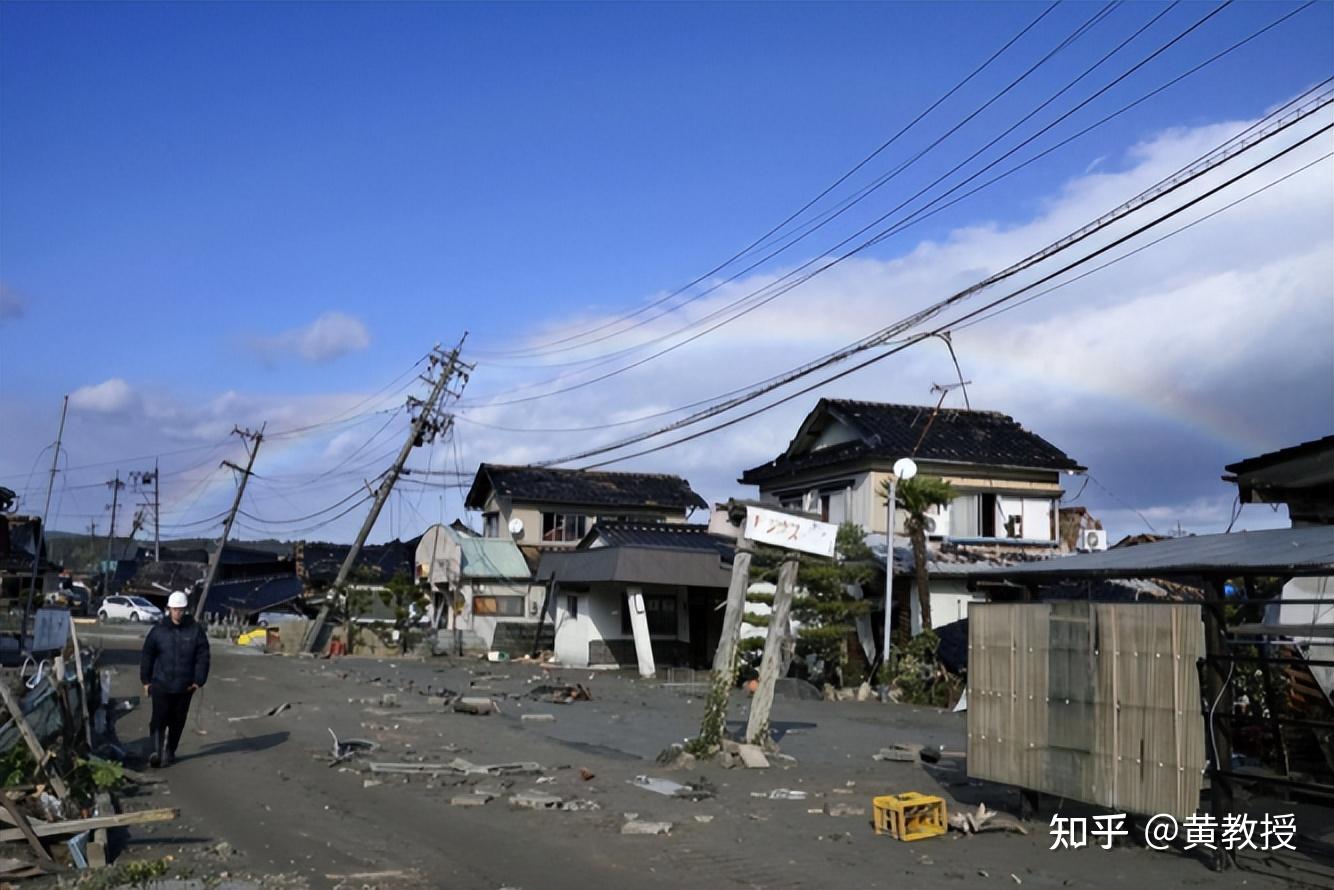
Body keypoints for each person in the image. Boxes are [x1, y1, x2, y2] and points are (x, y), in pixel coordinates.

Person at [139, 591, 210, 767]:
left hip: (184, 686)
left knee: (177, 721)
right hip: (161, 684)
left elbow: (203, 656)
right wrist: (146, 681)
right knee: (158, 719)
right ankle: (155, 752)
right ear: (169, 609)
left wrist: (198, 680)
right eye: (174, 609)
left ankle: (170, 750)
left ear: (185, 610)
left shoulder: (195, 631)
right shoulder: (158, 631)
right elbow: (147, 655)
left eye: (180, 609)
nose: (177, 612)